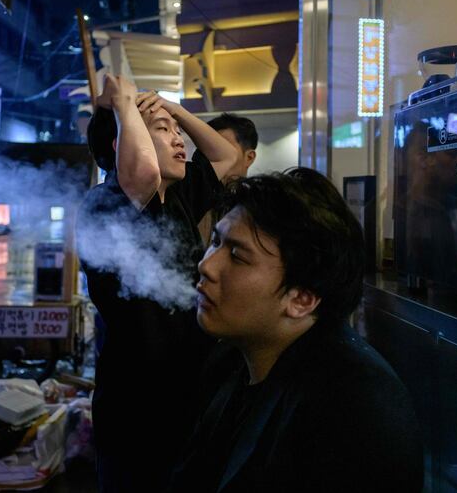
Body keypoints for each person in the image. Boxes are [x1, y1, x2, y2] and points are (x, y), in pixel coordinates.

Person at [167, 168, 424, 492]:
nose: (207, 265)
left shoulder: (353, 407)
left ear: (302, 299)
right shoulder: (232, 359)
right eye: (215, 241)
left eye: (236, 255)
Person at [77, 75, 238, 493]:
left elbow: (227, 154)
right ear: (122, 144)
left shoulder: (179, 197)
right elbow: (142, 170)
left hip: (188, 390)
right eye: (163, 131)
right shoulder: (106, 201)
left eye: (176, 131)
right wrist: (124, 104)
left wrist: (171, 108)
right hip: (136, 403)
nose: (179, 139)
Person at [198, 113, 258, 243]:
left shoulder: (258, 208)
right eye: (208, 148)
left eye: (223, 148)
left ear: (249, 157)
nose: (213, 156)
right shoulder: (192, 200)